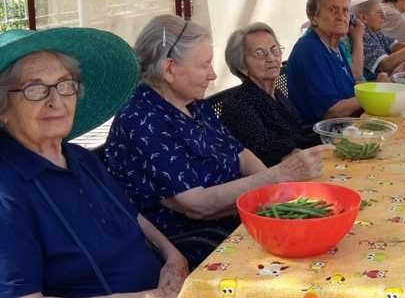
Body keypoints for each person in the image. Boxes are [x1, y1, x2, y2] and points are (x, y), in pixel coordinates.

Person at [0, 28, 187, 298]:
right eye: (35, 89)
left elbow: (131, 215)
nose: (56, 101)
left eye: (65, 85)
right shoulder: (8, 189)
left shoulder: (79, 157)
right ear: (3, 107)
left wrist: (172, 255)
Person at [104, 15, 330, 267]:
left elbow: (240, 153)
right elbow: (196, 205)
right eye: (204, 65)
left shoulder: (193, 103)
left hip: (239, 221)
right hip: (199, 244)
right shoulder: (142, 119)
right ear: (169, 69)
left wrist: (278, 195)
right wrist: (277, 177)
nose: (213, 75)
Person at [218, 22, 321, 167]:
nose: (272, 58)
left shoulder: (275, 94)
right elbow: (268, 153)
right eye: (260, 53)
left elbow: (298, 133)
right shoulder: (237, 105)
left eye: (275, 50)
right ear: (241, 65)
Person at [285, 0, 365, 124]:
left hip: (347, 125)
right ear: (313, 17)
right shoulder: (309, 50)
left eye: (345, 11)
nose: (341, 17)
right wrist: (374, 96)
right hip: (322, 135)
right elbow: (332, 112)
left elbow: (352, 83)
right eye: (333, 10)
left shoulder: (335, 46)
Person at [351, 0, 405, 81]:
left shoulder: (375, 32)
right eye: (379, 13)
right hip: (373, 88)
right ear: (363, 17)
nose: (384, 17)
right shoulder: (363, 34)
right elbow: (384, 65)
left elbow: (397, 47)